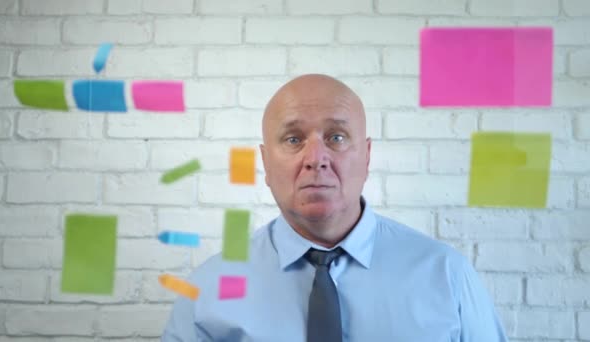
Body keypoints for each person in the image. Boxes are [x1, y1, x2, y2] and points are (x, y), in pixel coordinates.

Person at [162, 74, 508, 341]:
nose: (316, 159)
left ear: (368, 155)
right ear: (266, 163)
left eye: (337, 137)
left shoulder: (446, 276)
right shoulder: (208, 290)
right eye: (294, 139)